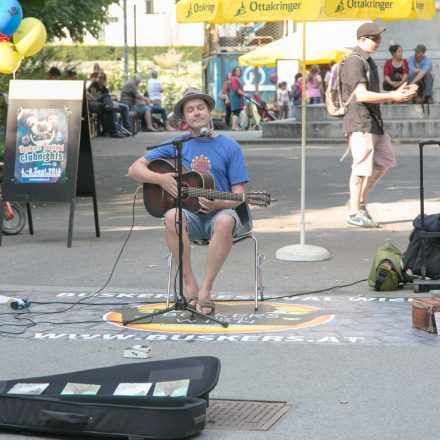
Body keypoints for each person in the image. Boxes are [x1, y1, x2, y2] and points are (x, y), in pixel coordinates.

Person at [128, 88, 249, 315]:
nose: (196, 113)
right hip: (190, 215)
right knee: (172, 215)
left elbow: (239, 195)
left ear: (209, 111)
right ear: (184, 118)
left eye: (200, 108)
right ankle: (190, 283)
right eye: (190, 110)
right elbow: (134, 168)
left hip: (220, 214)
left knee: (223, 222)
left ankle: (206, 289)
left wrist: (218, 204)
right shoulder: (177, 145)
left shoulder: (230, 147)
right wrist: (160, 179)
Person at [340, 23, 417, 228]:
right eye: (374, 39)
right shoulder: (354, 62)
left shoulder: (368, 61)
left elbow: (376, 91)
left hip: (374, 121)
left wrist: (400, 90)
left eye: (379, 38)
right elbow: (362, 95)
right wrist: (393, 95)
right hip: (360, 121)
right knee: (361, 167)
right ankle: (354, 212)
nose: (378, 42)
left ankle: (359, 201)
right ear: (362, 39)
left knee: (383, 162)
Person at [229, 66, 250, 131]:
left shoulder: (236, 79)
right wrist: (244, 94)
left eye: (239, 70)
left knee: (237, 111)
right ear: (234, 72)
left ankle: (235, 126)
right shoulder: (233, 79)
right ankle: (234, 127)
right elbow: (236, 89)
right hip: (235, 97)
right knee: (236, 111)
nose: (238, 72)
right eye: (237, 70)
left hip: (238, 97)